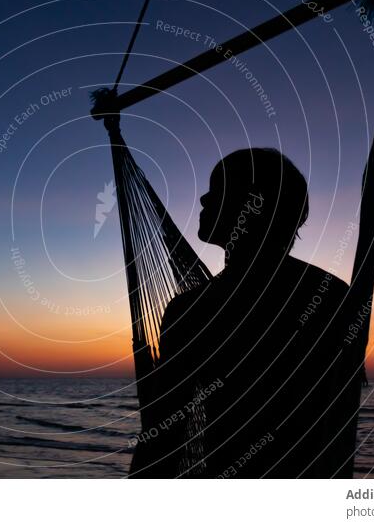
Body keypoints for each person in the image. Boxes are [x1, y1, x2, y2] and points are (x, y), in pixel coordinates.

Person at [130, 147, 357, 478]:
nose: (204, 200)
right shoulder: (333, 295)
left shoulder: (194, 309)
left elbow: (163, 437)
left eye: (220, 189)